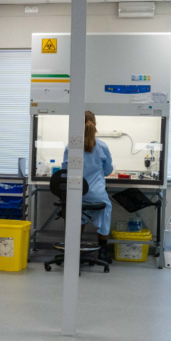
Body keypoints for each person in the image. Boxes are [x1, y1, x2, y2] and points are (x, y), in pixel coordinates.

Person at [62, 111, 114, 262]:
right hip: (97, 194)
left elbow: (65, 171)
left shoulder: (70, 146)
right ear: (95, 124)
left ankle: (73, 252)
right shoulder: (102, 146)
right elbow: (108, 170)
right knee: (105, 210)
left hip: (76, 193)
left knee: (79, 214)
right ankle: (103, 252)